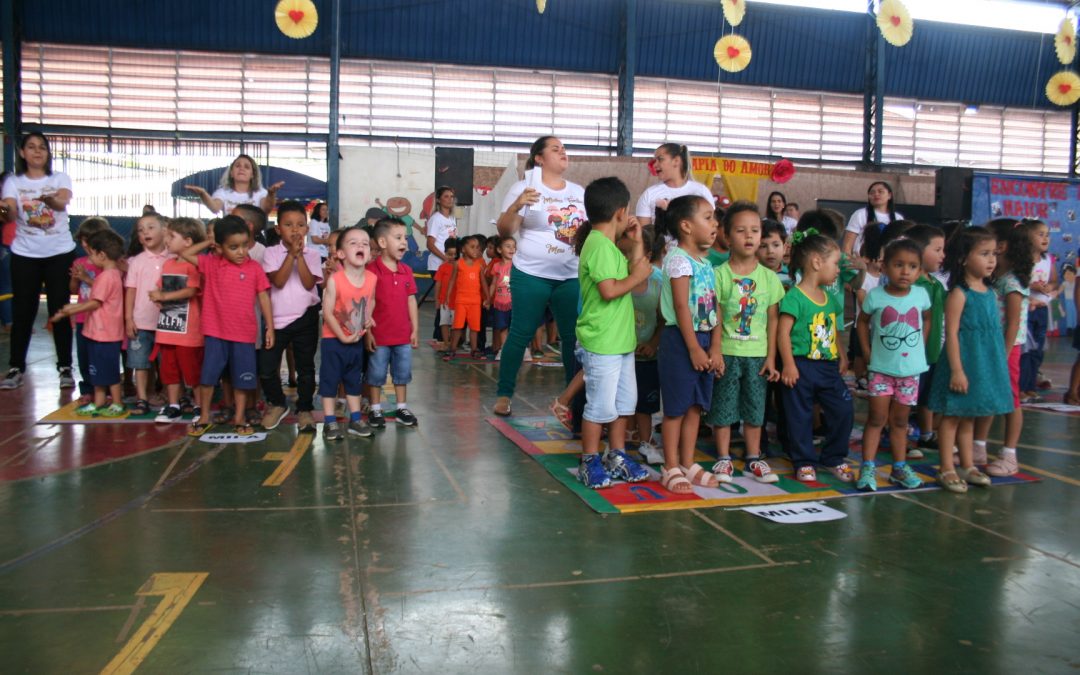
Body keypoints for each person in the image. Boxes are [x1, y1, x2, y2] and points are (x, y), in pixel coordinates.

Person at [493, 136, 585, 416]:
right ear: (539, 159)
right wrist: (516, 206)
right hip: (531, 274)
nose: (563, 153)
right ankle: (504, 394)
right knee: (520, 333)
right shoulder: (524, 188)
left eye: (564, 149)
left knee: (572, 338)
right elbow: (505, 231)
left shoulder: (578, 192)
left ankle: (572, 400)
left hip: (570, 276)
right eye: (555, 149)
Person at [573, 177, 652, 489]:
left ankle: (616, 455)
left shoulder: (608, 245)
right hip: (602, 341)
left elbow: (636, 264)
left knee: (623, 404)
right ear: (622, 211)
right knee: (599, 406)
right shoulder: (599, 247)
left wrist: (637, 241)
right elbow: (610, 290)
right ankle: (589, 459)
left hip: (620, 342)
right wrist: (638, 276)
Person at [928, 226, 1013, 493]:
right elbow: (951, 333)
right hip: (962, 362)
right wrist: (956, 370)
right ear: (964, 258)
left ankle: (967, 464)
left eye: (993, 254)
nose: (991, 260)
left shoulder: (990, 291)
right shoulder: (958, 294)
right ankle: (947, 467)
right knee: (952, 417)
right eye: (984, 254)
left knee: (970, 417)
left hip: (981, 363)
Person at [706, 202, 784, 484]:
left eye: (755, 230)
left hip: (757, 354)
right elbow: (715, 315)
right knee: (724, 408)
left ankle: (754, 457)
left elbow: (773, 319)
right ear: (726, 236)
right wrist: (715, 350)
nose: (749, 236)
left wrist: (772, 357)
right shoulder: (720, 275)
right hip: (728, 351)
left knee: (755, 408)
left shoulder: (769, 278)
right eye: (741, 230)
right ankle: (724, 458)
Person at [179, 215, 274, 436]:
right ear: (220, 247)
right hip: (215, 333)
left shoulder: (254, 269)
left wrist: (269, 327)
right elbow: (185, 253)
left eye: (244, 245)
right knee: (208, 377)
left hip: (244, 335)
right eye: (233, 247)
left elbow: (264, 298)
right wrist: (209, 241)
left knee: (243, 380)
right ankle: (204, 416)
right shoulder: (211, 264)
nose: (241, 252)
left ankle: (239, 417)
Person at [656, 195, 723, 494]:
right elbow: (682, 307)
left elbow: (715, 306)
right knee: (676, 408)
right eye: (707, 217)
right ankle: (669, 465)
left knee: (696, 405)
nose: (715, 223)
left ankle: (687, 461)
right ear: (686, 226)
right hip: (681, 340)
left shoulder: (706, 264)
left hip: (705, 338)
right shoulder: (679, 261)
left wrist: (715, 347)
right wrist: (695, 347)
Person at [0, 132, 78, 390]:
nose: (37, 151)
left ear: (48, 152)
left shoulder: (59, 178)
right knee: (24, 310)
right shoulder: (13, 182)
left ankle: (65, 366)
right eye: (31, 147)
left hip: (59, 252)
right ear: (22, 153)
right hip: (25, 254)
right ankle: (15, 367)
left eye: (42, 147)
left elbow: (61, 201)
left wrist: (49, 200)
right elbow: (10, 211)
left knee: (60, 309)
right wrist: (5, 210)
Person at [777, 229, 855, 483]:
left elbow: (832, 328)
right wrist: (788, 364)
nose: (837, 270)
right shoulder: (794, 297)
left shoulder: (830, 298)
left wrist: (841, 355)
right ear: (816, 262)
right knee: (799, 416)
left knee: (843, 408)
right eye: (835, 263)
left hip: (828, 367)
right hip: (801, 365)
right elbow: (783, 333)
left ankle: (834, 457)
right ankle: (804, 461)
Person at [854, 239, 931, 491]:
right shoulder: (875, 296)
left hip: (910, 373)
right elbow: (862, 323)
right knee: (876, 418)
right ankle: (867, 467)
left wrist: (921, 344)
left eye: (912, 266)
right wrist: (866, 352)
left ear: (920, 271)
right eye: (899, 265)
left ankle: (899, 467)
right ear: (884, 267)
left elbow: (927, 318)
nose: (905, 271)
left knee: (900, 422)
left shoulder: (921, 294)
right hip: (881, 370)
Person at [974, 221, 1034, 477]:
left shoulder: (1012, 282)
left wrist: (1003, 353)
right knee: (988, 396)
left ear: (1002, 246)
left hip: (1006, 350)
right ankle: (978, 446)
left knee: (1010, 400)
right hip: (992, 347)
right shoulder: (996, 279)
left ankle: (1010, 455)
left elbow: (1013, 323)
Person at [259, 200, 323, 433]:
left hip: (305, 318)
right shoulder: (271, 253)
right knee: (266, 368)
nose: (295, 230)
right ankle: (277, 403)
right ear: (278, 230)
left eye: (300, 225)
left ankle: (304, 408)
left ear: (306, 228)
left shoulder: (313, 254)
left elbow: (308, 284)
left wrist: (300, 256)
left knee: (306, 369)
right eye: (288, 225)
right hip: (276, 321)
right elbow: (278, 281)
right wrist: (290, 256)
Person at [50, 230, 127, 417]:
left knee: (109, 371)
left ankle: (117, 402)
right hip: (97, 332)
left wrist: (71, 309)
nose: (89, 257)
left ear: (102, 255)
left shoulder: (107, 277)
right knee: (97, 370)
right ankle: (99, 401)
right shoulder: (109, 275)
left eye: (92, 253)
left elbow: (95, 302)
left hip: (106, 334)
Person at [320, 226, 377, 441]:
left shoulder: (371, 278)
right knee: (330, 381)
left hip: (356, 340)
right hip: (333, 340)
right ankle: (329, 422)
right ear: (341, 254)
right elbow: (327, 312)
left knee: (354, 381)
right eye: (353, 243)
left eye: (364, 243)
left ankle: (355, 419)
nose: (361, 245)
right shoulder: (336, 280)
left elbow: (369, 301)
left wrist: (367, 320)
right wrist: (342, 336)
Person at [150, 218, 207, 425]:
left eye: (171, 236)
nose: (166, 240)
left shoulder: (193, 266)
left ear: (188, 242)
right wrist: (157, 295)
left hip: (189, 332)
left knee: (193, 371)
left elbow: (192, 290)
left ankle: (200, 405)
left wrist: (164, 297)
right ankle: (173, 405)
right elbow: (161, 287)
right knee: (169, 370)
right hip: (168, 329)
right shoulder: (168, 264)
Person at [365, 217, 420, 428]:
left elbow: (411, 299)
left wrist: (414, 328)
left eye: (405, 237)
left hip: (402, 336)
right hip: (379, 336)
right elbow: (367, 303)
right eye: (398, 238)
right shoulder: (371, 271)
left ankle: (401, 407)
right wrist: (368, 332)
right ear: (381, 242)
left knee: (402, 373)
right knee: (376, 373)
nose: (404, 242)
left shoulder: (406, 271)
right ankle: (375, 409)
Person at [905, 224, 947, 456]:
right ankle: (897, 433)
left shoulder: (936, 283)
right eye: (938, 250)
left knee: (927, 396)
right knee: (908, 395)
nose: (943, 255)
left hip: (933, 352)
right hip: (913, 353)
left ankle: (926, 434)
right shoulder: (914, 286)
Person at [124, 212, 170, 416]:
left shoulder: (173, 258)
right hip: (141, 322)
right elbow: (131, 290)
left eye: (150, 227)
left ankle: (171, 397)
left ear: (165, 230)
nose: (145, 233)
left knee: (168, 363)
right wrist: (128, 318)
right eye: (141, 230)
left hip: (168, 322)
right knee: (140, 363)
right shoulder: (136, 261)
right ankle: (142, 398)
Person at [627, 228, 664, 465]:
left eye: (633, 253)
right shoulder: (620, 283)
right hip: (622, 355)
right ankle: (618, 442)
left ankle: (646, 440)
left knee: (646, 404)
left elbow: (662, 320)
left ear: (647, 255)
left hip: (648, 358)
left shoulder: (658, 283)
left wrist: (652, 344)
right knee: (619, 402)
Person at [69, 217, 112, 403]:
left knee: (103, 355)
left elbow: (106, 291)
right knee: (84, 355)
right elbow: (72, 290)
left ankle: (108, 388)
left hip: (103, 319)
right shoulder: (80, 261)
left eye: (90, 240)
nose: (86, 245)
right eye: (83, 241)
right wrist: (76, 278)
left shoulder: (108, 265)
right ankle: (87, 387)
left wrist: (86, 278)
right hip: (82, 318)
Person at [1019, 219, 1058, 402]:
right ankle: (1021, 386)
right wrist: (1031, 285)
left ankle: (1031, 385)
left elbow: (1054, 280)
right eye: (1040, 234)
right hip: (1026, 309)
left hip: (1042, 310)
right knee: (1025, 350)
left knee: (1038, 349)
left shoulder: (1048, 260)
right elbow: (1016, 281)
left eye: (1047, 235)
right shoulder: (1023, 260)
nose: (1045, 238)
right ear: (1028, 237)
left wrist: (1050, 287)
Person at [635, 143, 715, 230]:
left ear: (676, 161)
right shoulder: (649, 194)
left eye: (660, 159)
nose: (655, 165)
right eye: (655, 161)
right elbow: (645, 235)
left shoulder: (701, 191)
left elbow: (711, 227)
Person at [184, 154, 282, 215]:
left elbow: (266, 208)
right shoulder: (223, 192)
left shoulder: (261, 192)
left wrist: (271, 194)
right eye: (237, 166)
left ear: (252, 174)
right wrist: (203, 194)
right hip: (230, 236)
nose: (241, 169)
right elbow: (215, 208)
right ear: (231, 173)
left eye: (247, 167)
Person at [445, 235, 489, 359]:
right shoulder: (458, 264)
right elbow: (452, 281)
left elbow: (483, 282)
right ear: (463, 250)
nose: (476, 250)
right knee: (458, 326)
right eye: (472, 247)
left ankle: (474, 350)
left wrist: (487, 297)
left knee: (474, 327)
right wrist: (448, 296)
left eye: (478, 248)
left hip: (475, 301)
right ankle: (452, 349)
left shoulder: (479, 265)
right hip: (461, 301)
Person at [842, 181, 903, 256]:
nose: (876, 194)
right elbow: (847, 246)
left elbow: (901, 244)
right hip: (861, 262)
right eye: (872, 193)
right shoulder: (860, 214)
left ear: (889, 195)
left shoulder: (898, 218)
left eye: (880, 191)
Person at [487, 236, 515, 359]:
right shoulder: (496, 266)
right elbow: (493, 284)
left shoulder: (516, 265)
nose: (512, 249)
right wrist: (488, 299)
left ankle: (519, 350)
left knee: (514, 328)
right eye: (508, 246)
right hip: (499, 303)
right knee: (502, 327)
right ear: (499, 250)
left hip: (513, 303)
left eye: (514, 247)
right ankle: (504, 350)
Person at [433, 237, 459, 351]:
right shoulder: (442, 267)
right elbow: (438, 284)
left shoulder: (460, 267)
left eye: (455, 254)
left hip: (457, 301)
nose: (452, 257)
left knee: (455, 324)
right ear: (445, 253)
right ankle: (446, 342)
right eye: (449, 254)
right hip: (444, 301)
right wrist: (437, 300)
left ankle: (454, 343)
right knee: (444, 322)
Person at [757, 219, 791, 289]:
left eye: (776, 245)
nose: (770, 251)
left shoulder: (791, 276)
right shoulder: (750, 276)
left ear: (784, 248)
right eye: (763, 246)